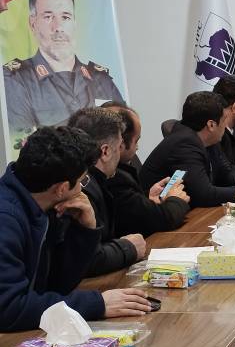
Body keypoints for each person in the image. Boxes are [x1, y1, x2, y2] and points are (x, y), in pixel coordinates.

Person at [0, 126, 152, 332]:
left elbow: (57, 285)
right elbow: (9, 309)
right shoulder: (6, 219)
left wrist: (85, 231)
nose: (82, 189)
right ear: (62, 188)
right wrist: (96, 304)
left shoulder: (45, 204)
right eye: (82, 181)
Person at [3, 0, 125, 137]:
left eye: (65, 17)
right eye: (48, 17)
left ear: (74, 23)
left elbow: (124, 133)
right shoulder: (16, 81)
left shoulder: (101, 79)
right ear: (33, 24)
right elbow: (21, 143)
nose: (58, 27)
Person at [66, 108, 149, 276]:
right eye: (119, 147)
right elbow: (87, 260)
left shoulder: (89, 181)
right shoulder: (82, 189)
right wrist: (129, 248)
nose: (120, 154)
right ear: (105, 152)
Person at [100, 103, 191, 237]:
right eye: (136, 141)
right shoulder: (114, 177)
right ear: (120, 144)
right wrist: (176, 199)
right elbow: (164, 219)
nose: (137, 147)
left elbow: (131, 209)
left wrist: (146, 198)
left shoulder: (119, 172)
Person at [139, 92, 235, 208]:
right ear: (211, 125)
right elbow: (204, 195)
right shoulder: (184, 144)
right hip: (157, 212)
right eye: (224, 120)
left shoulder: (206, 138)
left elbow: (225, 172)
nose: (225, 125)